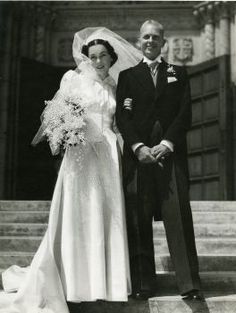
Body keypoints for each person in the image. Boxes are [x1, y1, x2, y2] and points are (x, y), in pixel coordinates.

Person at [0, 27, 142, 313]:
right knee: (80, 214)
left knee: (107, 215)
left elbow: (117, 123)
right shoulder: (74, 79)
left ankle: (107, 283)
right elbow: (56, 117)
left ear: (112, 58)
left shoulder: (116, 86)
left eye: (103, 56)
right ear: (86, 58)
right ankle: (76, 282)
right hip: (80, 155)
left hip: (109, 154)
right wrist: (68, 132)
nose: (98, 61)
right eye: (93, 56)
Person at [116, 20, 202, 300]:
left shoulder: (178, 72)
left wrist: (167, 144)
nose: (150, 41)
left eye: (155, 37)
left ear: (163, 42)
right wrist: (138, 147)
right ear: (139, 42)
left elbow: (185, 113)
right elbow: (122, 117)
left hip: (170, 156)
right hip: (139, 159)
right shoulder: (128, 76)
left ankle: (189, 285)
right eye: (146, 37)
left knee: (178, 216)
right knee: (139, 220)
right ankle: (143, 284)